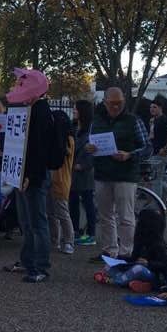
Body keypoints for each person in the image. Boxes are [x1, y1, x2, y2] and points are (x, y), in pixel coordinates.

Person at [85, 87, 151, 263]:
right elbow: (89, 144)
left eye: (119, 103)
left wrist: (130, 155)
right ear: (104, 102)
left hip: (125, 175)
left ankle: (126, 253)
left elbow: (148, 148)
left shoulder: (133, 120)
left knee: (125, 216)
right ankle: (109, 250)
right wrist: (88, 148)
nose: (115, 106)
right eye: (112, 103)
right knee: (105, 215)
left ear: (124, 101)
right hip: (103, 174)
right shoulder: (96, 121)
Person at [2, 68, 56, 283]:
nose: (18, 88)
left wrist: (30, 176)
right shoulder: (30, 110)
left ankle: (40, 266)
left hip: (33, 176)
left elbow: (39, 149)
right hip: (24, 174)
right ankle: (28, 261)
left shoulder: (40, 113)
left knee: (36, 223)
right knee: (27, 222)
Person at [93, 209, 167, 293]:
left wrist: (148, 263)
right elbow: (133, 258)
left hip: (154, 274)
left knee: (138, 269)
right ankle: (136, 283)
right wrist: (119, 260)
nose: (137, 222)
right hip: (137, 269)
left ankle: (114, 281)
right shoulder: (140, 239)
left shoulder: (160, 245)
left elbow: (166, 265)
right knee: (109, 266)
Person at [47, 110, 76, 255]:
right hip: (51, 178)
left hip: (61, 178)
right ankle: (55, 240)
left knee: (62, 212)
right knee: (51, 212)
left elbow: (65, 152)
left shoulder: (67, 139)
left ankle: (69, 241)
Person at [70, 100, 97, 246]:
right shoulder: (74, 127)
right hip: (73, 169)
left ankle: (91, 233)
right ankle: (75, 231)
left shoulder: (91, 130)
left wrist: (85, 165)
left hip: (84, 171)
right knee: (73, 202)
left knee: (88, 202)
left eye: (76, 109)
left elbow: (95, 149)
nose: (74, 111)